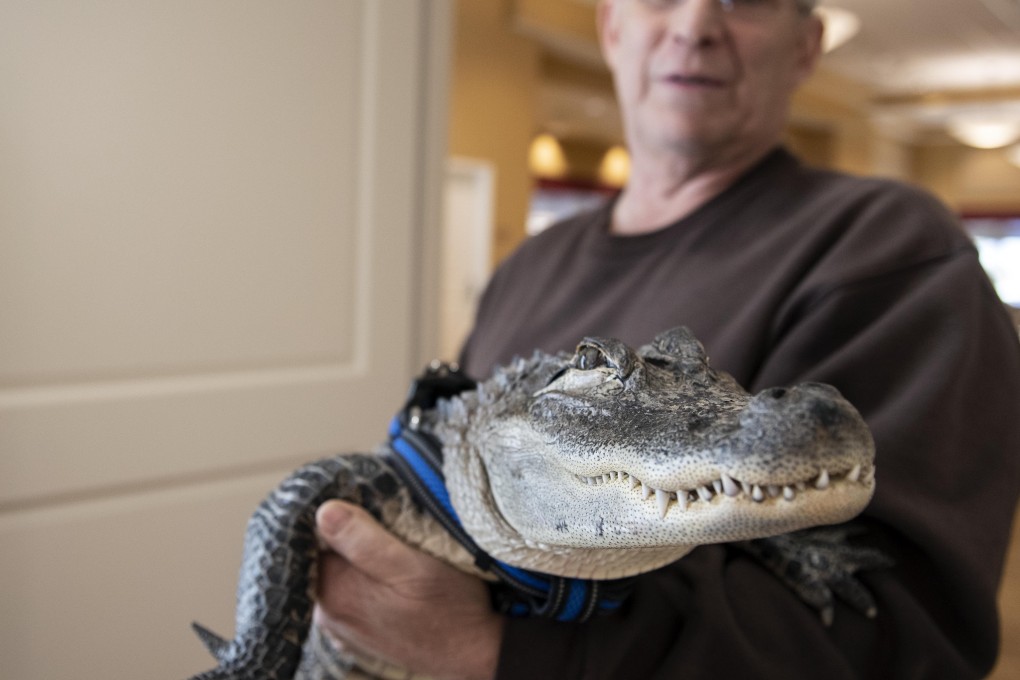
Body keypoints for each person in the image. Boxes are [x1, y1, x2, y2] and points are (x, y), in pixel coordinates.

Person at [311, 0, 1020, 677]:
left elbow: (904, 633)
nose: (695, 25)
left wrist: (492, 650)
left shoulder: (889, 247)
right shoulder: (529, 263)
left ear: (806, 45)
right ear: (612, 26)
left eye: (743, 1)